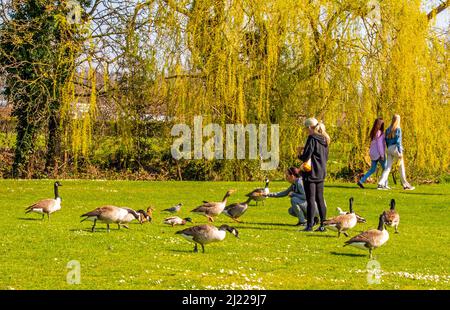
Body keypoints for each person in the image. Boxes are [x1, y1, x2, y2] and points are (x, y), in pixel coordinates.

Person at [298, 117, 330, 232]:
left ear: (309, 127)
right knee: (320, 198)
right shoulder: (325, 139)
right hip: (321, 172)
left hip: (311, 173)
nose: (306, 131)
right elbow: (325, 156)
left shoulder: (311, 138)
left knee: (310, 199)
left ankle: (310, 226)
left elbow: (306, 156)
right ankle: (323, 225)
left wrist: (299, 154)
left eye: (306, 129)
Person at [377, 114, 415, 190]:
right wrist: (400, 152)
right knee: (401, 168)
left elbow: (386, 141)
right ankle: (405, 185)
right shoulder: (398, 129)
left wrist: (388, 149)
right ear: (398, 120)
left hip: (389, 149)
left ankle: (380, 184)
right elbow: (398, 141)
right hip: (396, 149)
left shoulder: (388, 129)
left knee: (388, 168)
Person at [357, 118, 387, 189]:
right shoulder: (379, 132)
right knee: (385, 169)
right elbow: (380, 145)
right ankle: (384, 184)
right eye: (380, 124)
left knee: (372, 170)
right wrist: (382, 155)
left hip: (373, 153)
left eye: (381, 124)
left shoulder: (373, 132)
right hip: (379, 154)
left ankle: (361, 181)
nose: (381, 126)